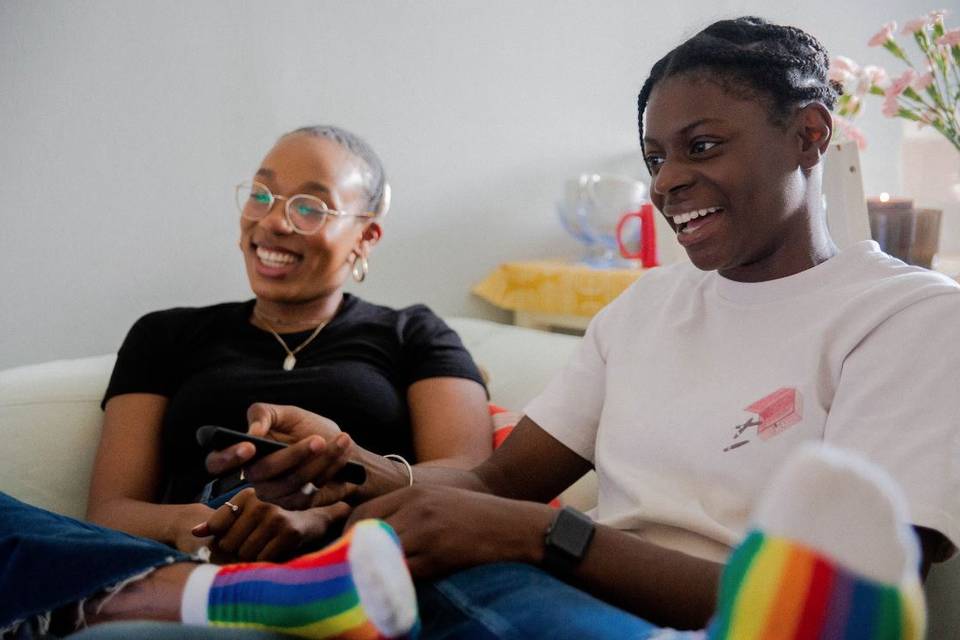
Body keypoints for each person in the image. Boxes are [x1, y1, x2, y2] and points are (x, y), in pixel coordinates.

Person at [221, 17, 960, 639]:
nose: (666, 180)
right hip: (564, 601)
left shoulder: (907, 316)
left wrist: (543, 538)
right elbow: (499, 481)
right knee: (153, 559)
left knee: (399, 580)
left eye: (701, 146)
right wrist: (347, 467)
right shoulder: (645, 309)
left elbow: (844, 608)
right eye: (655, 158)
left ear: (809, 135)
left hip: (707, 622)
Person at [1, 125, 492, 636]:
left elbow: (474, 478)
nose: (273, 221)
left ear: (365, 235)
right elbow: (109, 510)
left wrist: (323, 517)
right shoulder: (166, 333)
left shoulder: (414, 333)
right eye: (261, 195)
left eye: (309, 207)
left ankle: (299, 594)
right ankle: (248, 597)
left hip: (355, 549)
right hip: (190, 551)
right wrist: (197, 525)